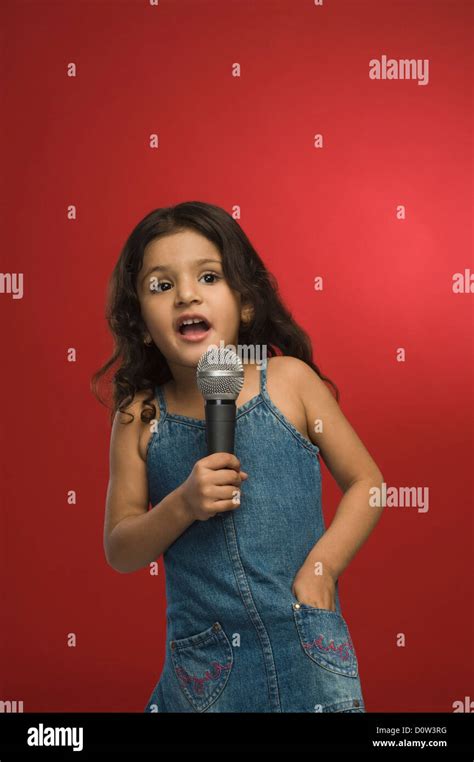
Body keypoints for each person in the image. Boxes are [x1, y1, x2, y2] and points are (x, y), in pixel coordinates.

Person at [91, 200, 384, 713]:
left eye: (208, 276)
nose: (185, 294)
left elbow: (368, 483)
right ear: (139, 322)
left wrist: (322, 568)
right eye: (162, 285)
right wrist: (183, 504)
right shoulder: (138, 416)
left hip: (306, 645)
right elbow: (121, 549)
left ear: (245, 303)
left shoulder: (291, 382)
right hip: (205, 672)